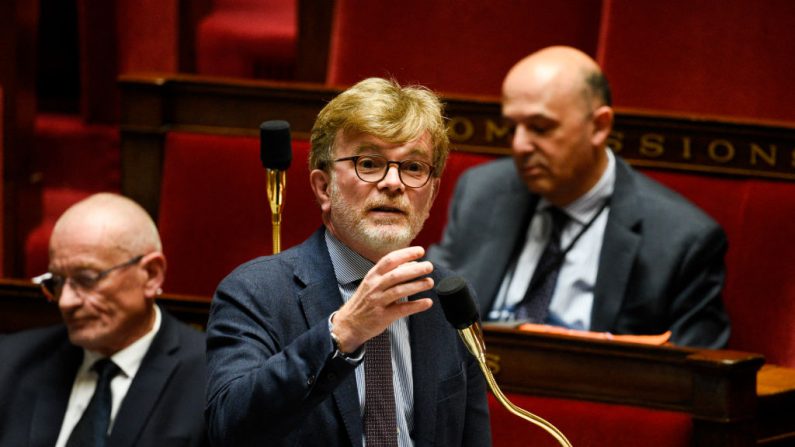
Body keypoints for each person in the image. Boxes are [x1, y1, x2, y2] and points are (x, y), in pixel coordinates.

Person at [205, 78, 491, 446]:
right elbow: (228, 428)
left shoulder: (447, 299)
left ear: (432, 193)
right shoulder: (256, 292)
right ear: (324, 187)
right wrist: (342, 334)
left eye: (414, 168)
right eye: (369, 163)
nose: (393, 183)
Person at [428, 46, 730, 349]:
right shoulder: (482, 190)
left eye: (540, 128)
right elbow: (431, 305)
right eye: (511, 128)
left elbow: (699, 372)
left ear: (599, 127)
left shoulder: (681, 238)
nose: (519, 145)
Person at [0, 193, 208, 447]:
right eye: (56, 282)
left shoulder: (211, 376)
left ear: (151, 275)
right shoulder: (10, 362)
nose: (65, 301)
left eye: (87, 279)